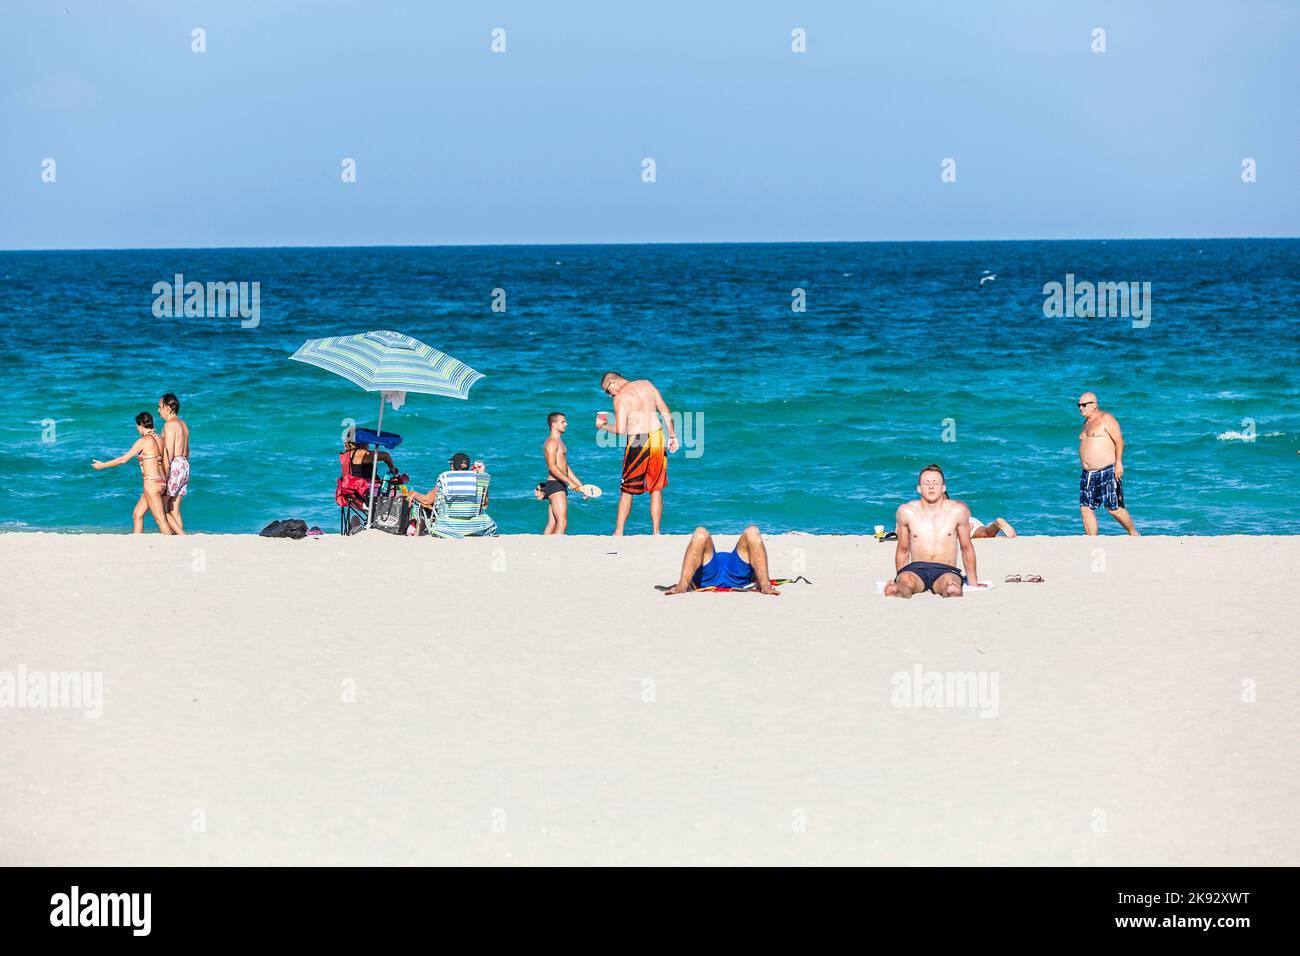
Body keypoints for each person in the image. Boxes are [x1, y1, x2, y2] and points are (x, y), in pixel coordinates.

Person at [596, 371, 678, 535]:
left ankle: (619, 532)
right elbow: (666, 412)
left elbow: (620, 430)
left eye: (607, 391)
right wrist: (672, 435)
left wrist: (602, 426)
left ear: (613, 382)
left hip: (638, 440)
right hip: (657, 437)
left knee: (627, 489)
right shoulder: (647, 384)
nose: (609, 395)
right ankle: (656, 532)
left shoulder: (620, 398)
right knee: (656, 488)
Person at [883, 464, 980, 598]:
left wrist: (973, 583)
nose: (931, 486)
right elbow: (903, 550)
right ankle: (898, 589)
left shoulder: (958, 511)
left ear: (943, 488)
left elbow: (966, 548)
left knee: (950, 586)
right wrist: (899, 577)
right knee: (905, 582)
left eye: (935, 483)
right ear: (919, 488)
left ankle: (951, 588)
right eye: (926, 483)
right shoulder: (906, 512)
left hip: (946, 569)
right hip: (916, 568)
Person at [91, 412, 174, 534]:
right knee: (137, 514)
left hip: (151, 483)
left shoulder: (143, 441)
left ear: (140, 425)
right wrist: (164, 483)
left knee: (160, 519)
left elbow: (123, 459)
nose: (137, 430)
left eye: (137, 427)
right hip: (161, 482)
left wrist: (103, 465)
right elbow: (166, 463)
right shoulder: (160, 439)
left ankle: (171, 547)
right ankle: (137, 543)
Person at [1077, 392, 1139, 535]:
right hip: (1087, 474)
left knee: (1114, 508)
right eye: (1079, 405)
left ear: (1094, 405)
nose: (1081, 408)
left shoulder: (1106, 418)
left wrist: (1119, 463)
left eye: (1084, 405)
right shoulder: (1086, 423)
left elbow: (1119, 441)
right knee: (1085, 509)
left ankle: (1134, 533)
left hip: (1107, 470)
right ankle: (1092, 540)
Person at [663, 525, 780, 595]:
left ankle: (765, 584)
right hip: (709, 575)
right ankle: (683, 585)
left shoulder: (731, 560)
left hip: (735, 574)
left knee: (752, 531)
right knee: (701, 532)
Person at [408, 452, 496, 537]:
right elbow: (484, 505)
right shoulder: (478, 480)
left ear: (454, 465)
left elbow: (426, 500)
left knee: (420, 504)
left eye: (451, 463)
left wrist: (413, 493)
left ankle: (416, 535)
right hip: (473, 526)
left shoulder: (446, 478)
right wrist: (480, 474)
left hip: (448, 527)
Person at [541, 412, 588, 535]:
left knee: (552, 523)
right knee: (562, 522)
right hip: (555, 484)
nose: (566, 424)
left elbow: (565, 466)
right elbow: (552, 466)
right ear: (553, 424)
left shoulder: (559, 442)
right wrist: (569, 482)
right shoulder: (551, 442)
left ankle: (541, 548)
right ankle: (555, 548)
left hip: (557, 484)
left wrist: (579, 484)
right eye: (563, 422)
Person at [157, 393, 189, 534]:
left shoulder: (170, 425)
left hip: (174, 464)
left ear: (169, 408)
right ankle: (179, 537)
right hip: (184, 464)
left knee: (159, 507)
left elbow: (168, 451)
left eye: (160, 407)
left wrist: (163, 472)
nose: (158, 410)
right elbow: (187, 450)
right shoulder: (183, 424)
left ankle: (180, 535)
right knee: (174, 509)